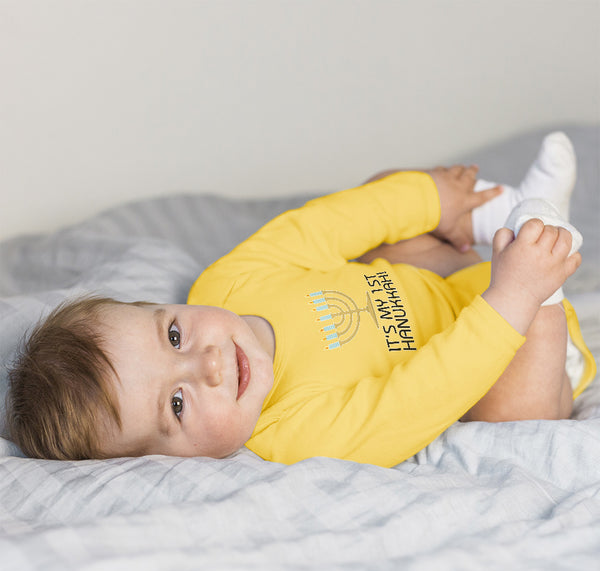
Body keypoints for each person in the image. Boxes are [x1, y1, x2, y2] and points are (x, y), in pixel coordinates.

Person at [6, 132, 596, 466]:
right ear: (168, 460)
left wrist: (425, 197)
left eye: (175, 336)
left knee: (382, 194)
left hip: (444, 281)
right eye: (178, 406)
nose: (208, 364)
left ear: (159, 309)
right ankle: (543, 260)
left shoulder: (227, 284)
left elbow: (324, 227)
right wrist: (513, 298)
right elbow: (423, 395)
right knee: (511, 419)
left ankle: (512, 212)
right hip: (504, 355)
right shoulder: (291, 433)